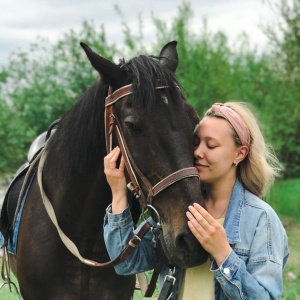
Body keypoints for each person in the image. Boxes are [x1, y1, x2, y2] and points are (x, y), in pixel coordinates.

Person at [103, 102, 289, 300]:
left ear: (240, 153)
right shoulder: (179, 206)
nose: (198, 152)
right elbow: (126, 263)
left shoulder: (261, 219)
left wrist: (223, 253)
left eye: (211, 145)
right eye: (195, 142)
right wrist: (119, 193)